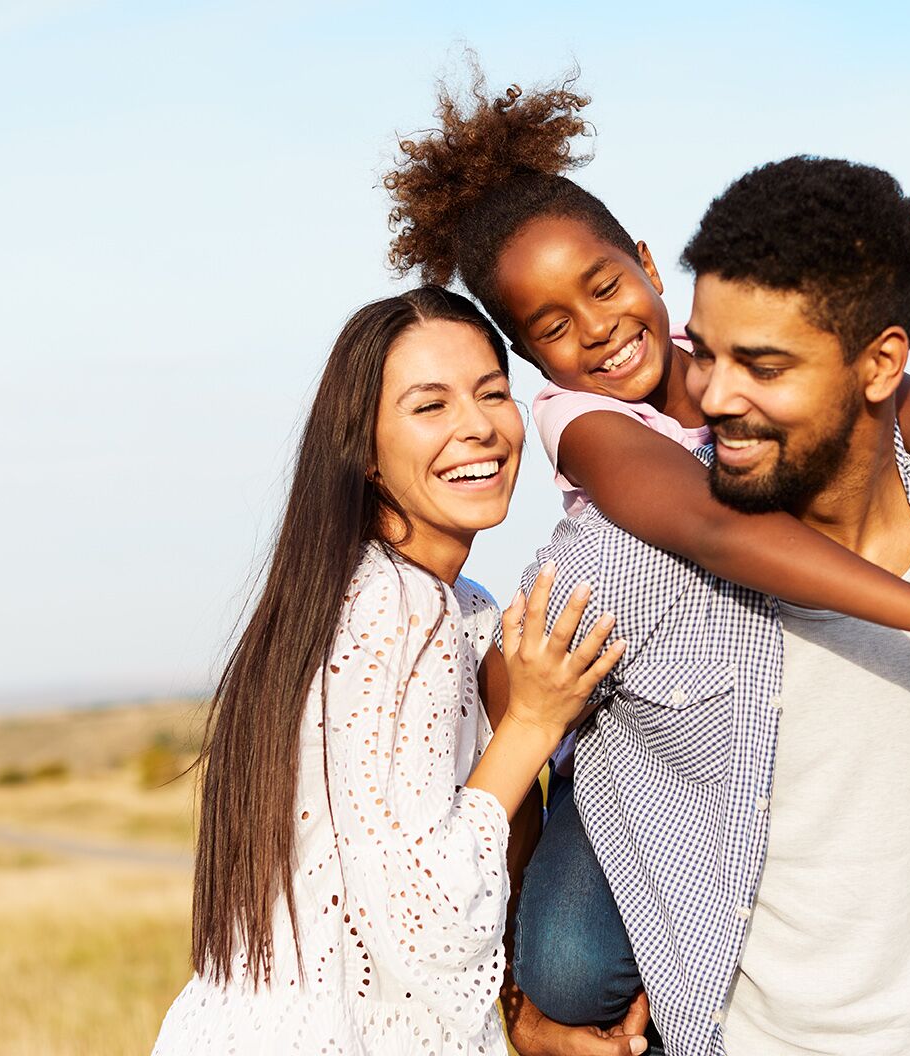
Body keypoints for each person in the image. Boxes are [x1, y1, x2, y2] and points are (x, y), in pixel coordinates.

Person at [383, 73, 910, 1054]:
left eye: (603, 286)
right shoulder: (584, 422)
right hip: (641, 734)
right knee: (570, 969)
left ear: (645, 263)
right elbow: (713, 527)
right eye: (550, 327)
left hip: (791, 718)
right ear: (529, 360)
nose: (592, 329)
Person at [150, 286, 624, 1056]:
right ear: (365, 452)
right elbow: (427, 911)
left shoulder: (408, 601)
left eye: (492, 393)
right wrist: (535, 722)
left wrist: (522, 1013)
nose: (478, 427)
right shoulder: (401, 608)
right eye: (429, 406)